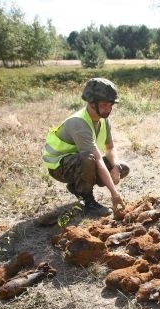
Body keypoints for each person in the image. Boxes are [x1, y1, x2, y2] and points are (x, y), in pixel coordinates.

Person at [42, 77, 129, 217]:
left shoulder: (104, 119)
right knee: (89, 158)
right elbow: (98, 159)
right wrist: (114, 194)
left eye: (111, 104)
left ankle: (77, 186)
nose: (108, 108)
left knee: (122, 168)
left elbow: (110, 147)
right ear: (91, 103)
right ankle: (88, 202)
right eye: (104, 104)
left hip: (80, 161)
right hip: (59, 167)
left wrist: (116, 166)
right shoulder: (79, 123)